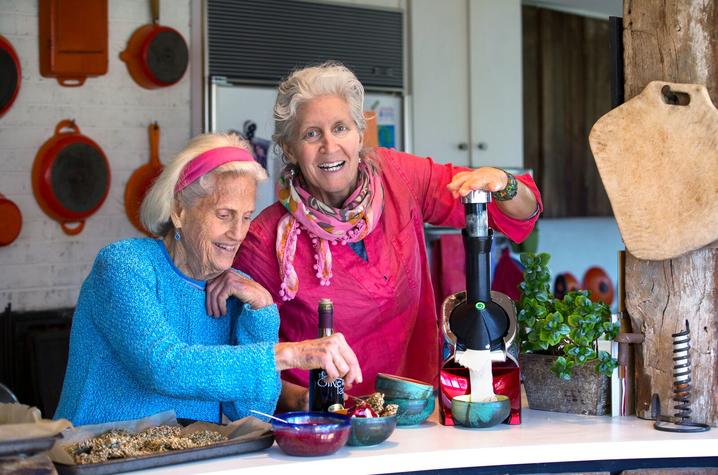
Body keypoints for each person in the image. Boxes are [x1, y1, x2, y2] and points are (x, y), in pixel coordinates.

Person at [206, 63, 542, 409]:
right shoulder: (265, 242)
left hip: (418, 410)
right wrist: (305, 400)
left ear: (359, 133)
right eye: (311, 134)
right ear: (289, 149)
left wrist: (505, 183)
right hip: (326, 425)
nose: (329, 145)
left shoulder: (399, 176)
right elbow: (241, 365)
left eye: (340, 128)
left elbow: (514, 213)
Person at [54, 133, 361, 426]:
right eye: (224, 214)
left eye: (245, 216)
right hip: (96, 458)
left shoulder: (234, 289)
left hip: (187, 461)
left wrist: (263, 311)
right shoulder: (124, 266)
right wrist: (291, 353)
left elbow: (250, 415)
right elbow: (164, 367)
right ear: (178, 211)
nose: (238, 233)